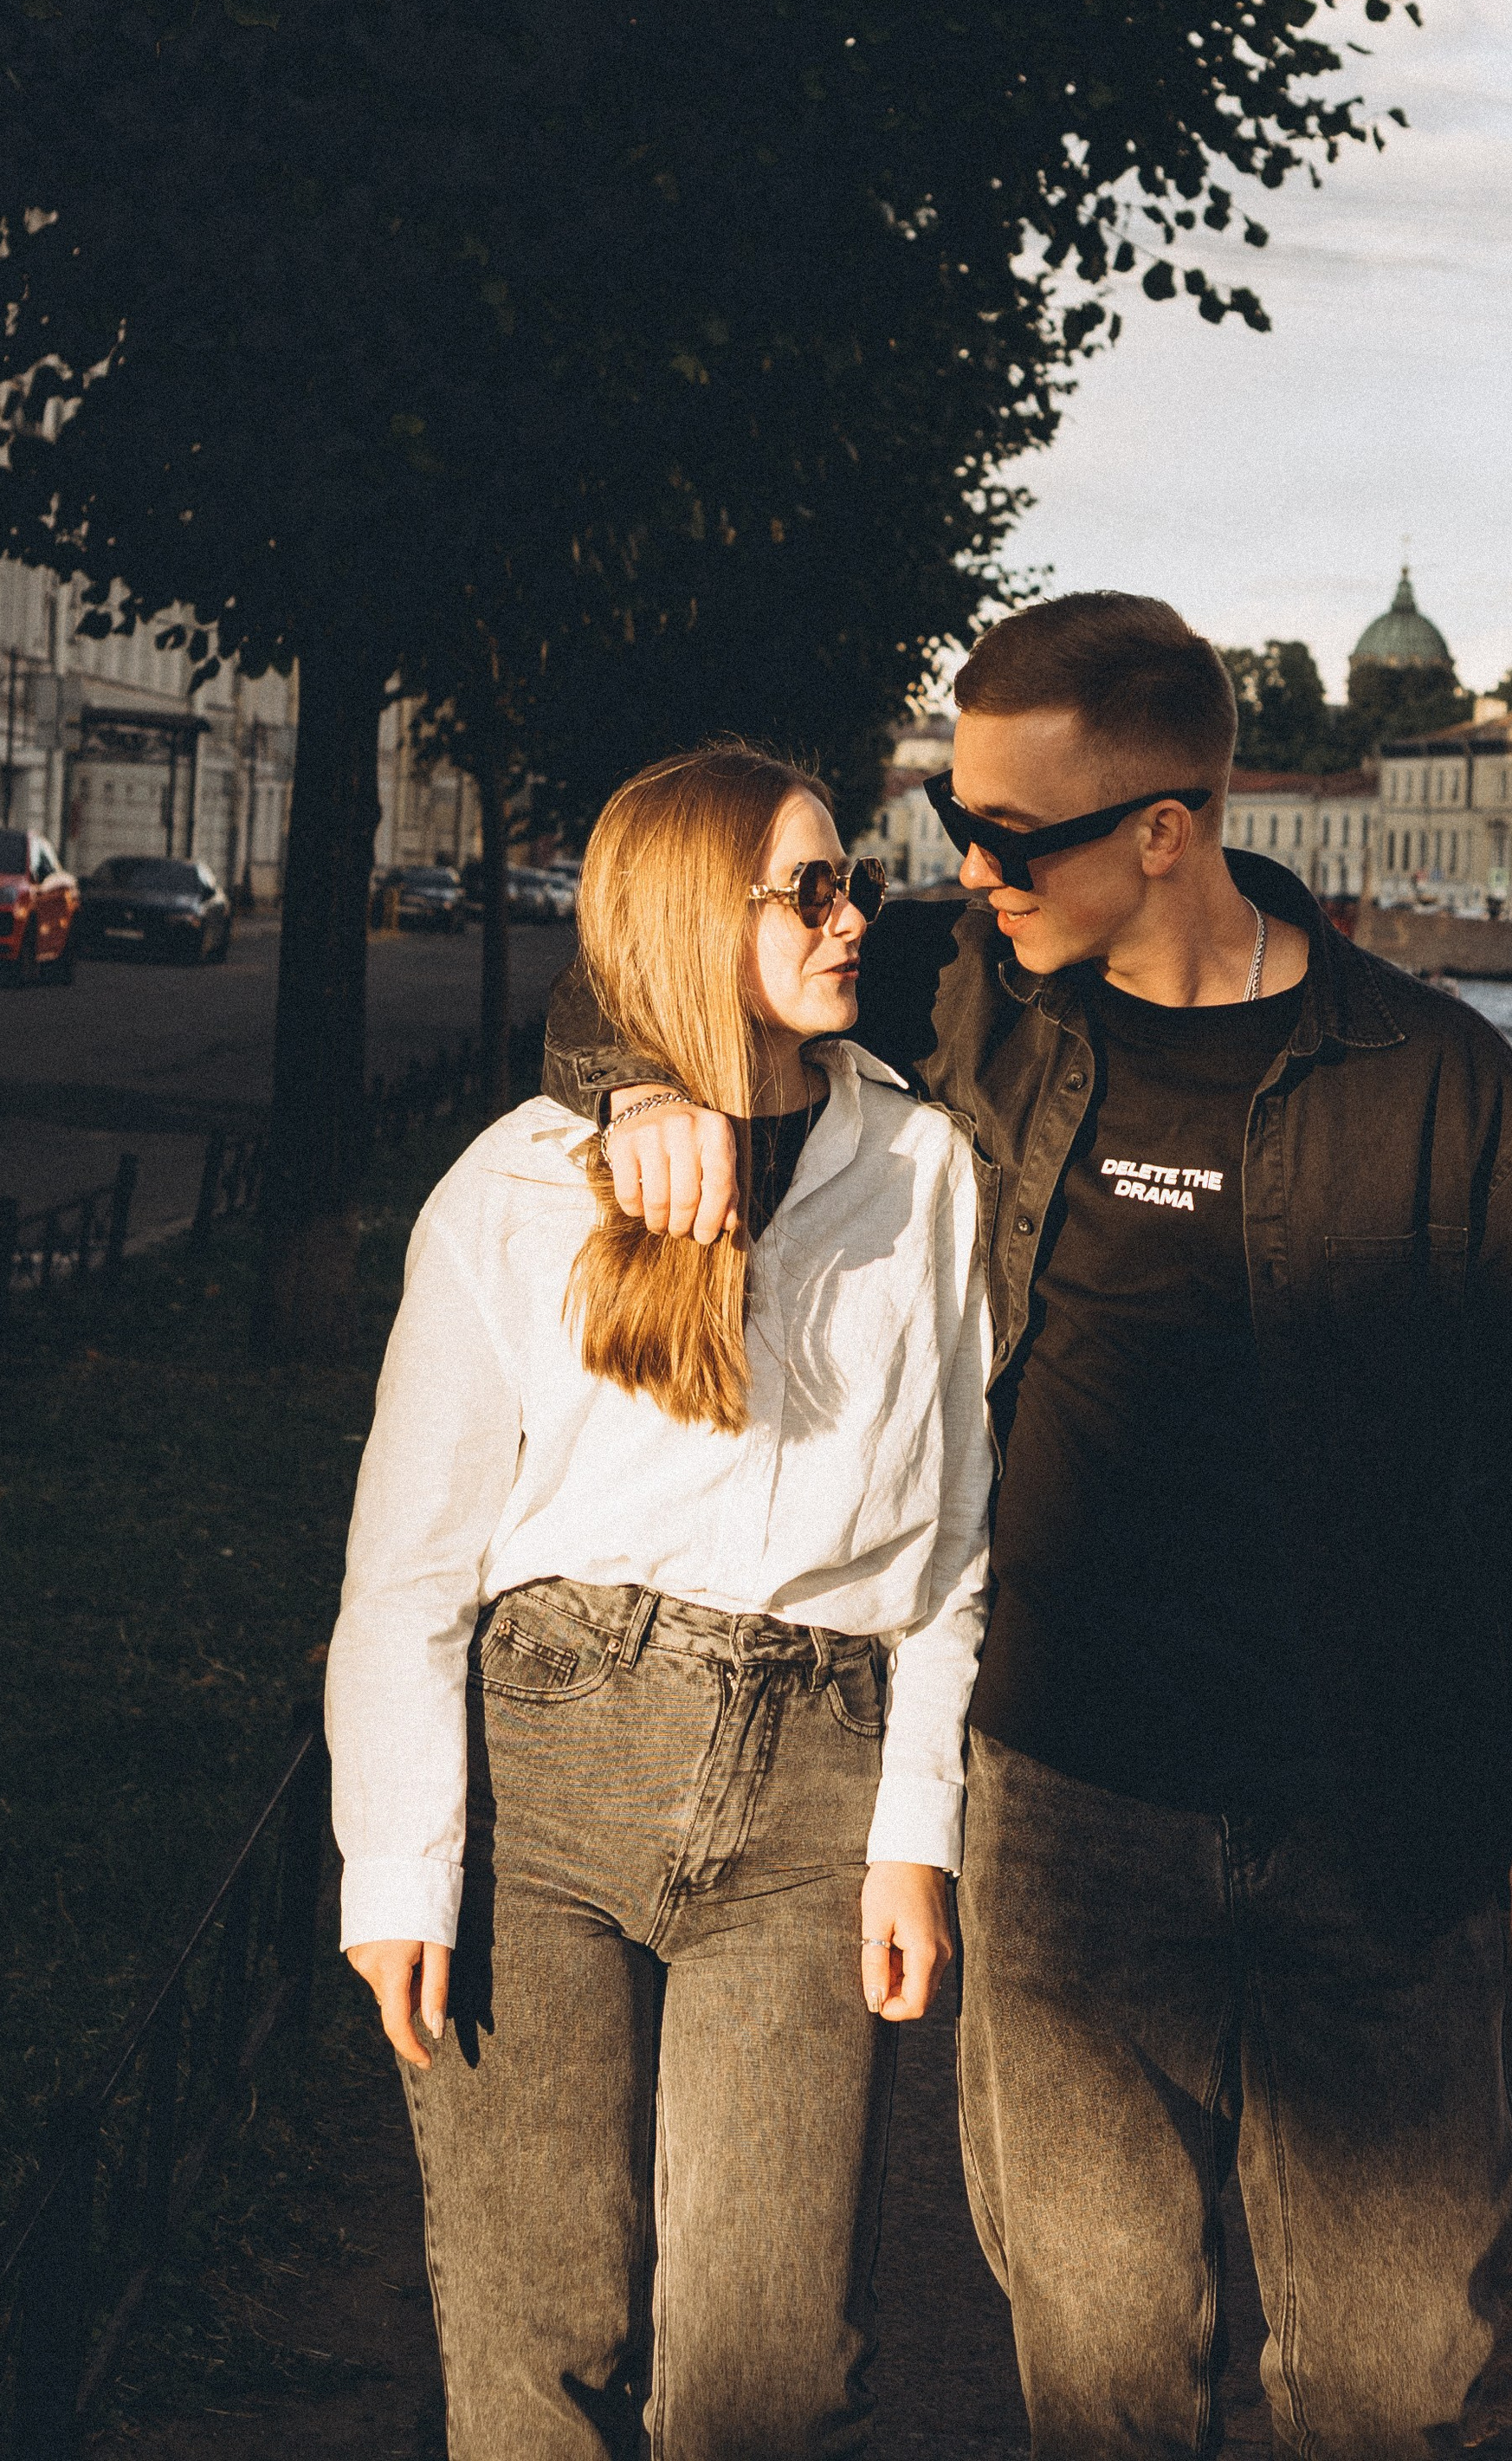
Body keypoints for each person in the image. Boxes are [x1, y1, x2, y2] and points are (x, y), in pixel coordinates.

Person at [546, 596, 1512, 2461]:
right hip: (1063, 1805)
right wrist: (630, 1083)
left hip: (1377, 1823)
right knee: (1097, 2360)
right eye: (952, 828)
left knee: (1383, 2382)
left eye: (1008, 838)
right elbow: (644, 966)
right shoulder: (970, 1002)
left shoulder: (1451, 1097)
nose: (960, 872)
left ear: (1164, 831)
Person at [328, 740, 993, 2461]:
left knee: (764, 2374)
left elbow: (947, 1543)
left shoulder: (923, 1175)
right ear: (701, 920)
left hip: (812, 1791)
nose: (858, 920)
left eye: (856, 880)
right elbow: (407, 1560)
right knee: (533, 2334)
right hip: (541, 1764)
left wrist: (913, 1827)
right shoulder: (517, 1186)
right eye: (813, 889)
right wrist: (399, 1865)